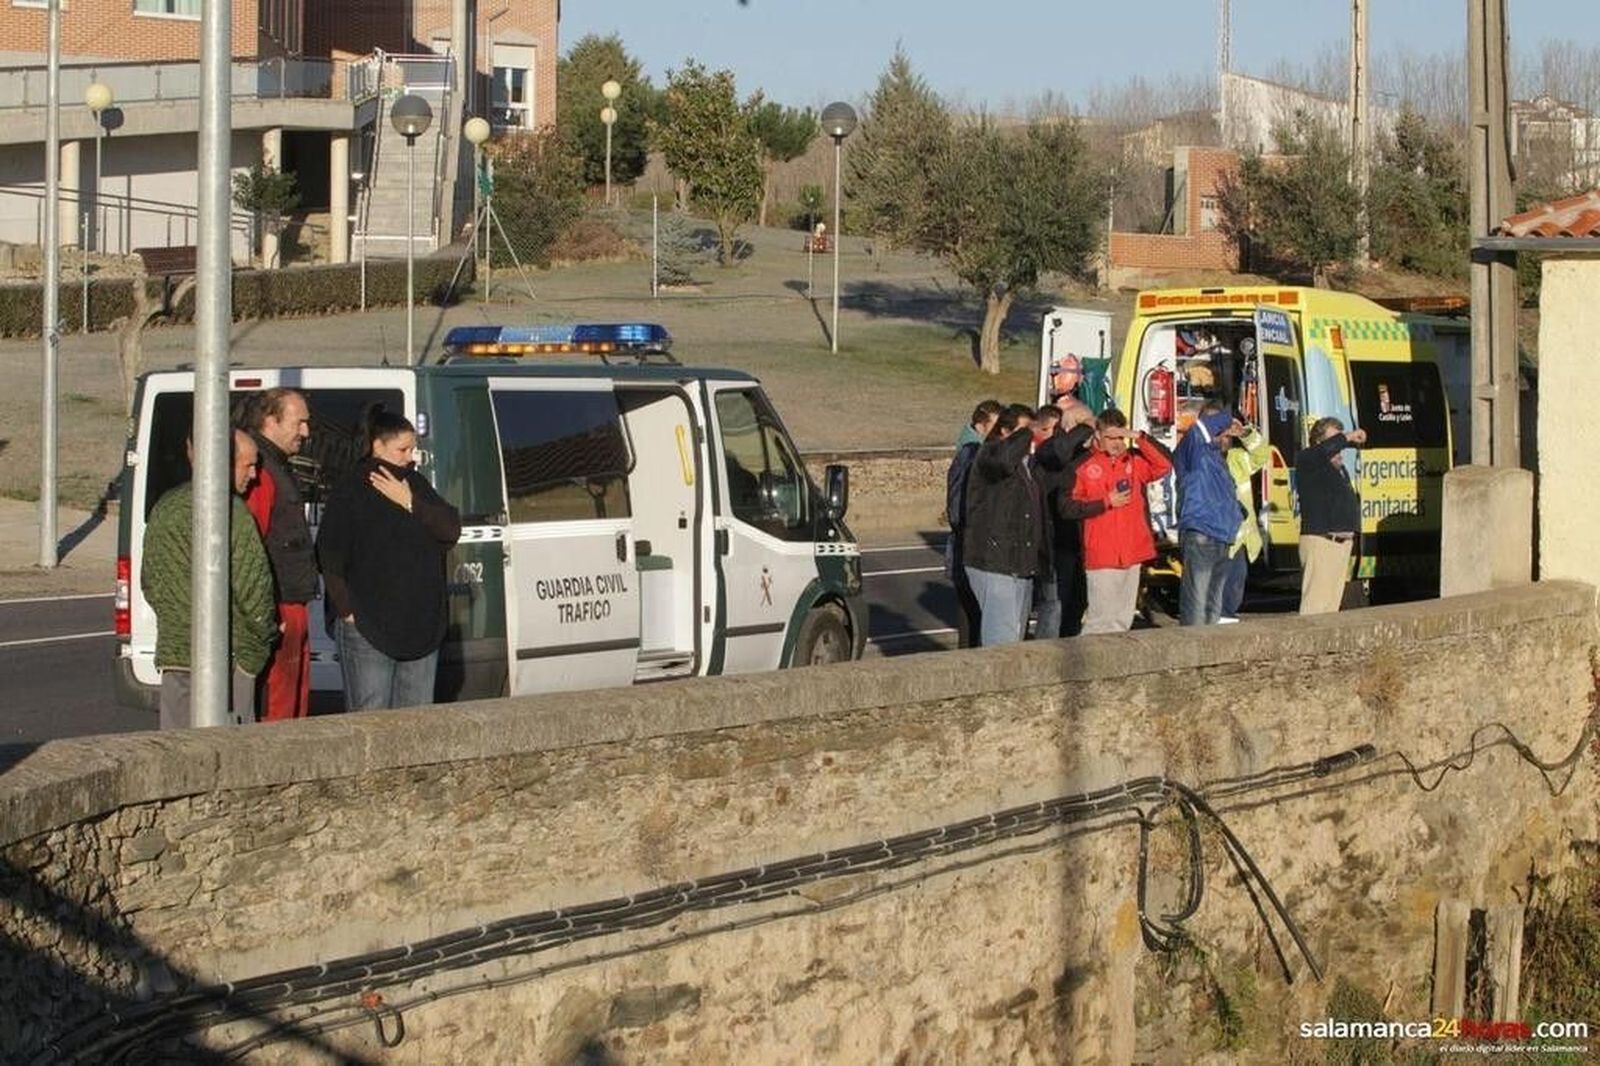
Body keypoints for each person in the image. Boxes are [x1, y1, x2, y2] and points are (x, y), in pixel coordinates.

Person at [316, 411, 462, 710]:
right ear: (377, 446)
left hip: (419, 625)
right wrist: (348, 612)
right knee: (371, 717)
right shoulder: (351, 489)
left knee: (414, 718)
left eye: (412, 449)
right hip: (367, 626)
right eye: (402, 450)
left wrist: (409, 502)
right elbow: (330, 556)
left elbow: (449, 529)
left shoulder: (415, 484)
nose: (410, 458)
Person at [141, 430, 278, 729]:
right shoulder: (233, 513)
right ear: (223, 462)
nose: (254, 475)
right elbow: (254, 591)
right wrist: (258, 645)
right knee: (231, 755)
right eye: (248, 465)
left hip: (176, 656)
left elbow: (149, 581)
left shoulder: (165, 507)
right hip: (227, 659)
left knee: (177, 753)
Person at [243, 387, 316, 722]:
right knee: (279, 706)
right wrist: (267, 612)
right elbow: (251, 545)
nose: (306, 432)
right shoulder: (261, 470)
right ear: (271, 421)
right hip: (278, 605)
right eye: (299, 422)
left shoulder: (276, 466)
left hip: (290, 600)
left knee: (294, 702)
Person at [1072, 409, 1173, 634]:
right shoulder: (1084, 465)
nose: (1116, 443)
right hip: (1102, 553)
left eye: (1120, 437)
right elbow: (1070, 506)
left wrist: (1139, 437)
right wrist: (1105, 502)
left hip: (1132, 550)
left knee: (1122, 620)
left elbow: (1164, 465)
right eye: (1110, 437)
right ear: (1098, 435)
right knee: (1100, 620)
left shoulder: (1135, 460)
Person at [961, 404, 1041, 646]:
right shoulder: (989, 454)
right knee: (1000, 639)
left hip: (1018, 563)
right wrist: (1027, 432)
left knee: (1015, 635)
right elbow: (1003, 462)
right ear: (1005, 431)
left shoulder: (1026, 465)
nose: (1029, 436)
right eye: (1023, 431)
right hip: (994, 561)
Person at [1173, 403, 1245, 626]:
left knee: (1213, 603)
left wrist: (1238, 514)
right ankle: (1192, 651)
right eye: (1220, 428)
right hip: (1202, 533)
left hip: (1222, 535)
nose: (1225, 434)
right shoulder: (1193, 450)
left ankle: (1209, 652)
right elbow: (1200, 429)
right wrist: (1227, 419)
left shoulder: (1218, 459)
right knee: (1197, 600)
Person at [1032, 400, 1097, 638]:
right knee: (1055, 606)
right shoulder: (1049, 452)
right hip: (1055, 543)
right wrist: (1084, 426)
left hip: (1078, 542)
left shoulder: (1080, 456)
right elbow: (1058, 451)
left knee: (1076, 604)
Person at [1295, 417, 1367, 615]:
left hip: (1340, 544)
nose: (1340, 445)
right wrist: (1348, 436)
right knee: (1316, 607)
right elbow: (1322, 451)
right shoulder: (1307, 460)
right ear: (1319, 442)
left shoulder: (1338, 468)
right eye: (1334, 440)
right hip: (1322, 542)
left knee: (1331, 607)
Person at [945, 399, 1002, 647]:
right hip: (970, 547)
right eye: (995, 426)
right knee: (973, 618)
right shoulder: (970, 454)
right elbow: (957, 506)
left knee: (976, 618)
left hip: (971, 545)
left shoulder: (976, 451)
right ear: (981, 425)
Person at [1219, 417, 1272, 623]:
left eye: (1226, 434)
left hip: (1240, 538)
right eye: (1220, 433)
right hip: (1216, 537)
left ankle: (1227, 618)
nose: (1224, 438)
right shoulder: (1200, 458)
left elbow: (1262, 455)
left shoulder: (1237, 458)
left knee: (1235, 587)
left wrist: (1244, 433)